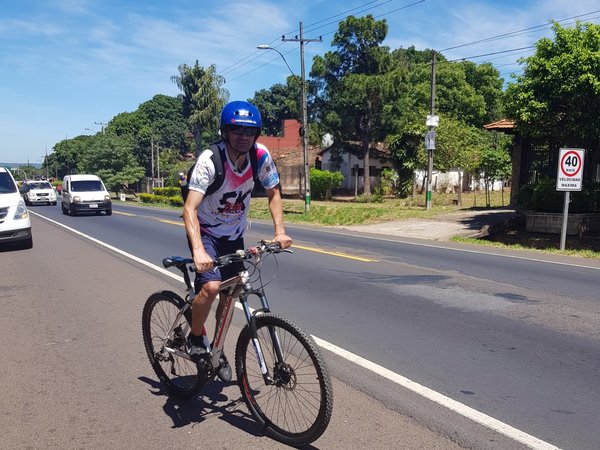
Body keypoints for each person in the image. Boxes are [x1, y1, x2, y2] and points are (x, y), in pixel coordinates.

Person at [182, 100, 293, 382]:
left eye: (249, 132)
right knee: (210, 287)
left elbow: (274, 193)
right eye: (236, 131)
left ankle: (216, 350)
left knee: (232, 294)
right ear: (225, 131)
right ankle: (196, 339)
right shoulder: (210, 160)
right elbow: (189, 209)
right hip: (206, 233)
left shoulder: (260, 156)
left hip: (234, 235)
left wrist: (279, 231)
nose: (243, 137)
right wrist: (197, 251)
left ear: (256, 134)